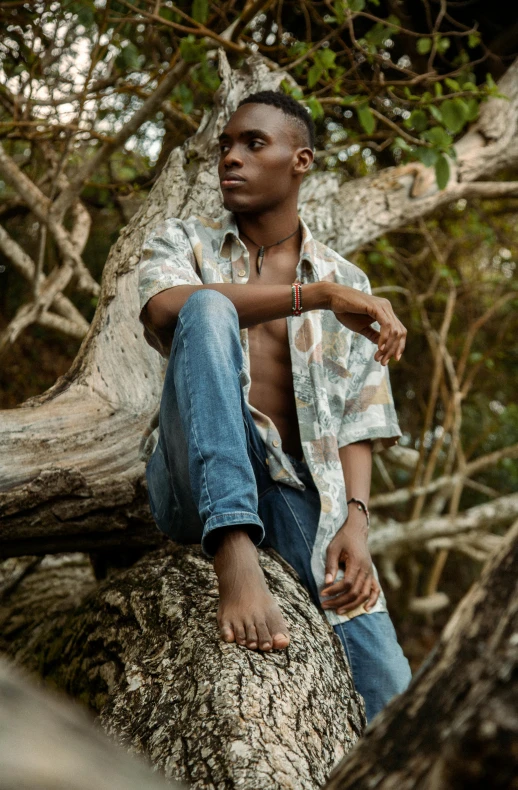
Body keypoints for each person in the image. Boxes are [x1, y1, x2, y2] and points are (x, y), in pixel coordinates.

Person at [137, 90, 412, 723]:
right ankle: (233, 549)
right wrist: (310, 295)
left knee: (387, 683)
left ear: (301, 160)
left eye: (252, 144)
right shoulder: (183, 241)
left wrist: (356, 524)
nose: (229, 158)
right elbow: (162, 310)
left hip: (294, 487)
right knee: (207, 306)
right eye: (224, 146)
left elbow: (359, 417)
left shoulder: (351, 281)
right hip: (189, 479)